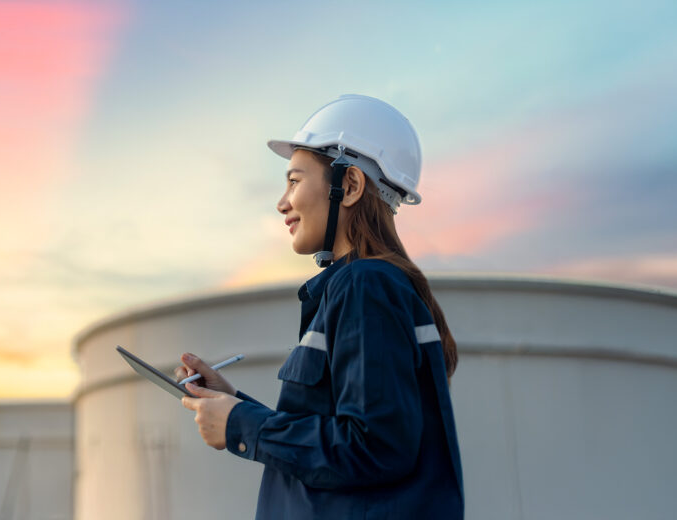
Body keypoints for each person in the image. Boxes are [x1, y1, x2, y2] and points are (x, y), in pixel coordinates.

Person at [177, 94, 464, 519]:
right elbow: (340, 438)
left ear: (349, 186)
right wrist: (235, 403)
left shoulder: (366, 286)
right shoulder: (365, 287)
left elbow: (373, 447)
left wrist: (241, 425)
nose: (282, 202)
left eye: (294, 181)